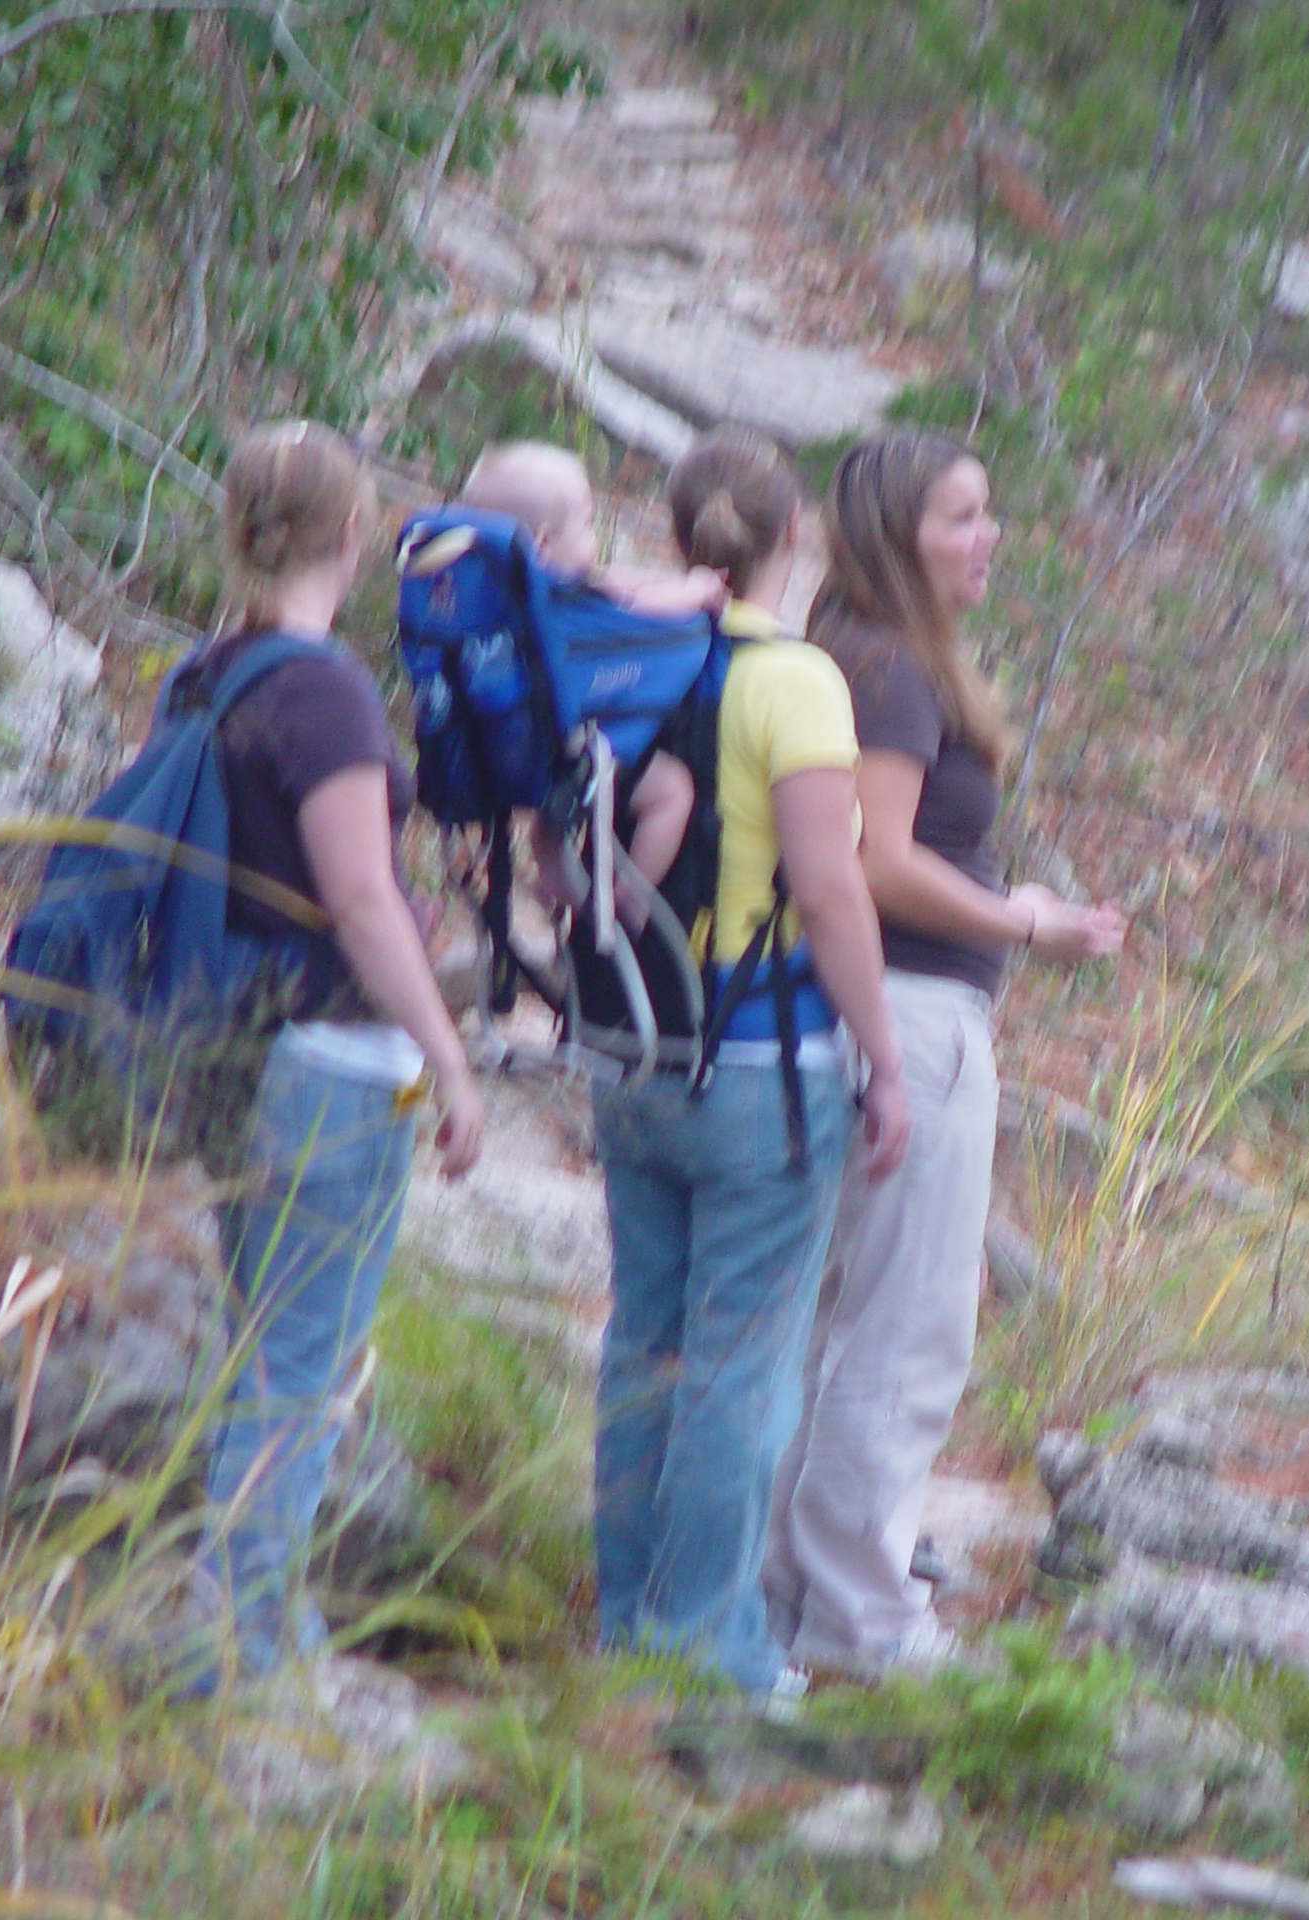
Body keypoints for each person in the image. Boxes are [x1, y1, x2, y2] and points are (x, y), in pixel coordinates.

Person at [765, 429, 1125, 1677]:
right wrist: (1024, 919)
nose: (991, 538)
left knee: (832, 1322)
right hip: (910, 1018)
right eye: (964, 518)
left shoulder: (851, 658)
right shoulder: (889, 670)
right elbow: (874, 857)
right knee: (905, 1329)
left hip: (866, 1009)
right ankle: (864, 1620)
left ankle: (796, 1596)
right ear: (900, 537)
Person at [589, 425, 911, 1700]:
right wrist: (883, 1061)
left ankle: (626, 1625)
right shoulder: (800, 684)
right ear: (796, 539)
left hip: (628, 1051)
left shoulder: (633, 660)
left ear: (680, 535)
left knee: (642, 1345)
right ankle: (705, 1652)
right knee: (738, 1364)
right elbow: (829, 891)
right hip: (762, 1067)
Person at [186, 420, 486, 1685]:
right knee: (300, 1371)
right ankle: (248, 1650)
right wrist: (451, 1062)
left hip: (229, 1054)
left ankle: (236, 1627)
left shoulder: (208, 672)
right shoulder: (323, 689)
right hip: (328, 1068)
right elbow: (361, 900)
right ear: (356, 535)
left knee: (258, 1350)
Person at [460, 441, 722, 924]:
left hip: (503, 747)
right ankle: (629, 899)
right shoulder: (561, 593)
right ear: (540, 543)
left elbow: (615, 582)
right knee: (673, 791)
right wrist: (696, 589)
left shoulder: (490, 587)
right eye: (585, 525)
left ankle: (554, 871)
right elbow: (638, 608)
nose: (592, 540)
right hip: (567, 749)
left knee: (551, 818)